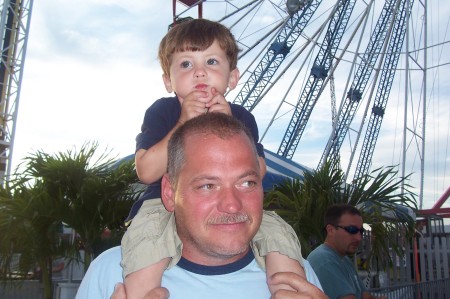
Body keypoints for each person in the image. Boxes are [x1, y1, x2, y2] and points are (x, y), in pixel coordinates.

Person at [121, 18, 305, 298]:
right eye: (186, 64)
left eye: (211, 62)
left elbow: (259, 170)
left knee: (277, 233)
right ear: (168, 81)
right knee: (146, 243)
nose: (199, 73)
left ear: (232, 77)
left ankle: (290, 289)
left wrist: (229, 126)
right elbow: (146, 171)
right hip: (159, 206)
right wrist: (183, 123)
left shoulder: (241, 117)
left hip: (230, 212)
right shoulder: (162, 112)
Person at [76, 113, 326, 299]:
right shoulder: (112, 272)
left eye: (247, 182)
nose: (231, 205)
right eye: (208, 186)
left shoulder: (299, 278)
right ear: (169, 192)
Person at [307, 204, 387, 299]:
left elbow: (365, 296)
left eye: (361, 231)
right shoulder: (324, 259)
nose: (359, 237)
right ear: (331, 230)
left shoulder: (343, 258)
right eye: (351, 230)